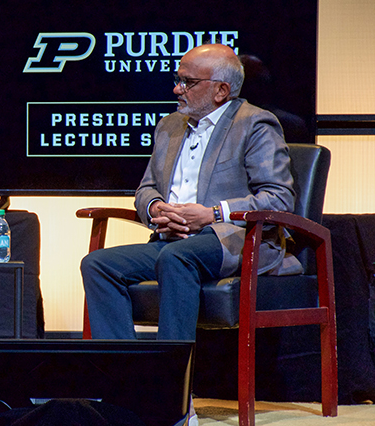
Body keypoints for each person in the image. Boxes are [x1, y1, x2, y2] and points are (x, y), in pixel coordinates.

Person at [80, 43, 301, 343]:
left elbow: (279, 199)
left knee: (176, 257)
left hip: (231, 242)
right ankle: (126, 376)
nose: (177, 89)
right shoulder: (169, 126)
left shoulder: (254, 124)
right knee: (98, 265)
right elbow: (146, 188)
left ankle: (171, 381)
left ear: (221, 90)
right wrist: (156, 208)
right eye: (178, 79)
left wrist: (211, 214)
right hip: (172, 240)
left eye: (188, 82)